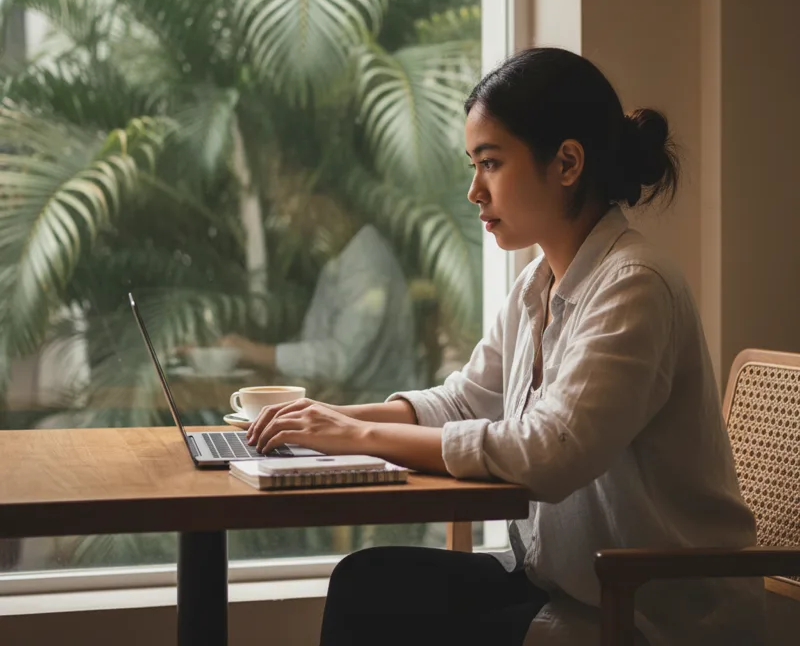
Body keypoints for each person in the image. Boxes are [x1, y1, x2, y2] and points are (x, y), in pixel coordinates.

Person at [245, 47, 766, 646]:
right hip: (569, 582)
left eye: (490, 163)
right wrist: (326, 419)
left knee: (391, 618)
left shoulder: (634, 286)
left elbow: (550, 452)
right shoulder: (538, 283)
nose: (473, 191)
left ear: (567, 162)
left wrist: (356, 437)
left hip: (646, 612)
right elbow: (467, 401)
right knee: (366, 581)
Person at [220, 195, 418, 405]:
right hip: (340, 408)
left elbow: (340, 361)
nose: (286, 219)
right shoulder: (340, 258)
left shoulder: (368, 265)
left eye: (288, 202)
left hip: (377, 413)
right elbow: (316, 341)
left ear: (325, 201)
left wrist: (255, 353)